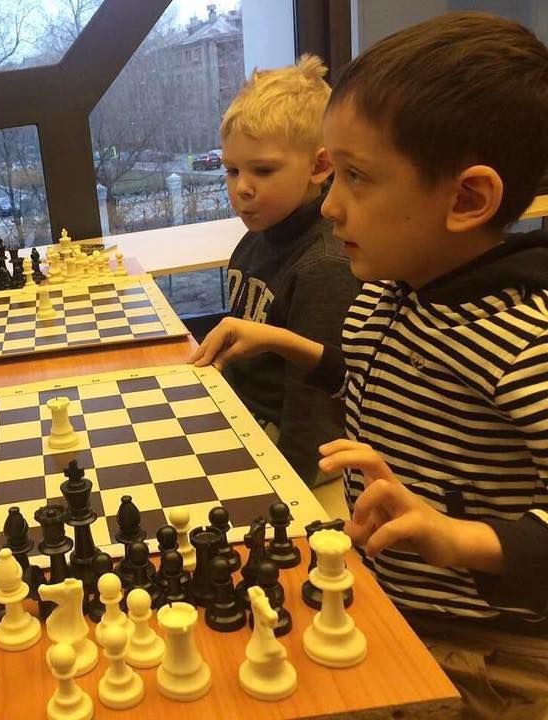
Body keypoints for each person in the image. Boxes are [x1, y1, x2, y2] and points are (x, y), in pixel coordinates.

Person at [198, 13, 548, 717]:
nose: (330, 205)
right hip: (389, 599)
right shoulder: (386, 292)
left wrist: (459, 538)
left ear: (467, 199)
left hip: (490, 655)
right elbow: (367, 377)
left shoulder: (523, 342)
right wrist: (288, 344)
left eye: (355, 177)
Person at [190, 55, 360, 487]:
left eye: (263, 170)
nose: (241, 188)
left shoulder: (324, 266)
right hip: (244, 419)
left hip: (288, 453)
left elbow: (314, 408)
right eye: (232, 170)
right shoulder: (255, 240)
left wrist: (283, 496)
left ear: (319, 167)